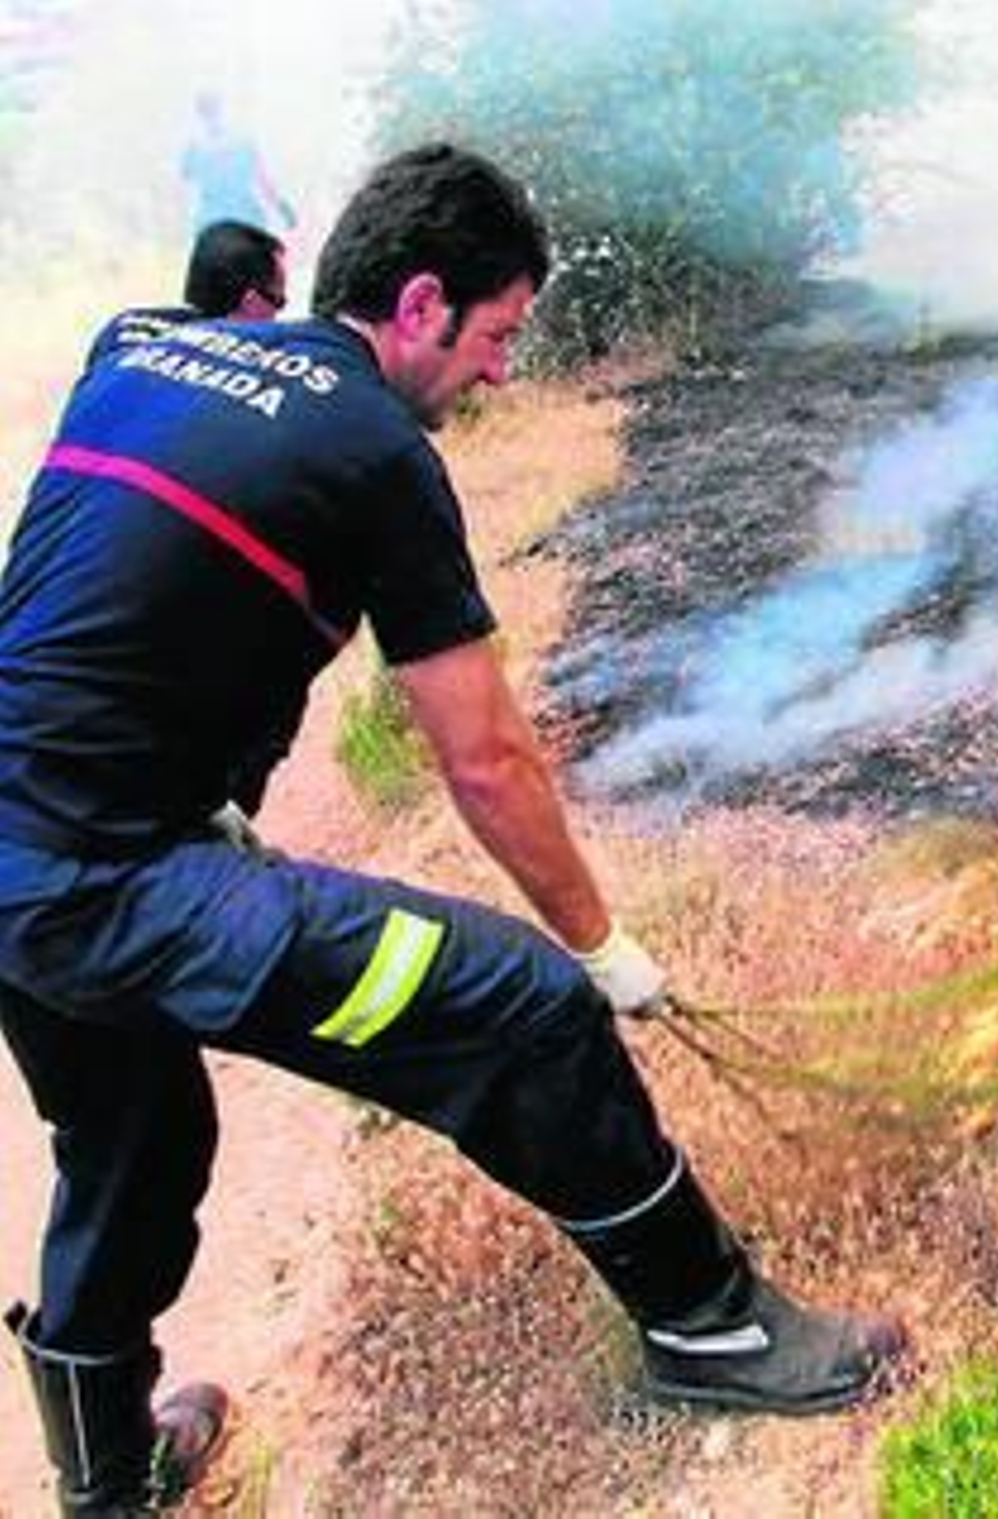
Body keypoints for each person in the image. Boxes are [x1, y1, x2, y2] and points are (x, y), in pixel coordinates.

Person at [0, 143, 904, 1514]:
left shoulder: (141, 342)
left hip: (30, 849)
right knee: (522, 1006)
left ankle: (107, 1478)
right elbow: (483, 755)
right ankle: (711, 1329)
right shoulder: (374, 449)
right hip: (104, 876)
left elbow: (110, 601)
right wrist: (603, 946)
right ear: (420, 304)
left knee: (132, 1138)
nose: (497, 372)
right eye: (495, 336)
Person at [85, 219, 288, 369]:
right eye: (279, 300)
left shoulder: (124, 324)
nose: (278, 316)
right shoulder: (246, 369)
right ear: (250, 302)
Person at [178, 91, 296, 236]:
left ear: (199, 114)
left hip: (210, 223)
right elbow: (264, 182)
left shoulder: (194, 148)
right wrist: (283, 208)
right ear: (222, 109)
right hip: (247, 219)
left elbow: (185, 179)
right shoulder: (244, 142)